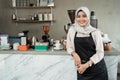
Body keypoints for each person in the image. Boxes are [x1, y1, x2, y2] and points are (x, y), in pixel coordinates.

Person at [66, 6, 108, 80]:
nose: (81, 19)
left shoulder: (95, 32)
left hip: (97, 70)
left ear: (88, 17)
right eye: (78, 16)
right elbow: (69, 46)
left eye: (84, 16)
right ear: (75, 18)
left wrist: (86, 65)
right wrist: (74, 54)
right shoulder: (72, 30)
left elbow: (100, 53)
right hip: (82, 69)